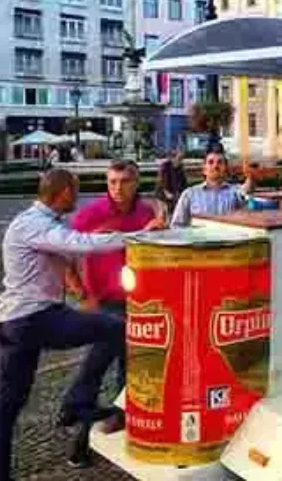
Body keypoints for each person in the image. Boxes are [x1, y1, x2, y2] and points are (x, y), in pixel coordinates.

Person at [0, 169, 134, 481]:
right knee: (116, 327)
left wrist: (84, 286)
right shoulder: (33, 224)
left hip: (16, 323)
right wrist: (134, 237)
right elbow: (79, 244)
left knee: (7, 408)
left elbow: (73, 246)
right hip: (33, 318)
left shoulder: (44, 223)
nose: (77, 198)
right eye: (75, 192)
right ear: (64, 191)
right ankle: (77, 403)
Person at [63, 160, 162, 467]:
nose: (118, 188)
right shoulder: (91, 214)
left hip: (140, 302)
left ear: (136, 182)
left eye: (124, 181)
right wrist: (81, 293)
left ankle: (121, 421)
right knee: (95, 368)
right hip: (105, 305)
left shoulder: (146, 213)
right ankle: (79, 439)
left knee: (131, 368)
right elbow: (63, 254)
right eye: (112, 182)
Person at [170, 150, 254, 227]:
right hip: (198, 242)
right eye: (211, 162)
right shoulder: (189, 194)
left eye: (220, 162)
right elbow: (177, 225)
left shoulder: (235, 192)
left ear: (226, 169)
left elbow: (247, 191)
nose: (215, 166)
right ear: (204, 170)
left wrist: (250, 176)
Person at [156, 149, 188, 215]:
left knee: (174, 211)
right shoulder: (165, 166)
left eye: (182, 158)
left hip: (173, 194)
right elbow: (161, 180)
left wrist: (183, 192)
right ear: (173, 157)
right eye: (179, 158)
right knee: (162, 213)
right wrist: (166, 191)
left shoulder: (180, 168)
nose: (181, 160)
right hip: (162, 193)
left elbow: (183, 182)